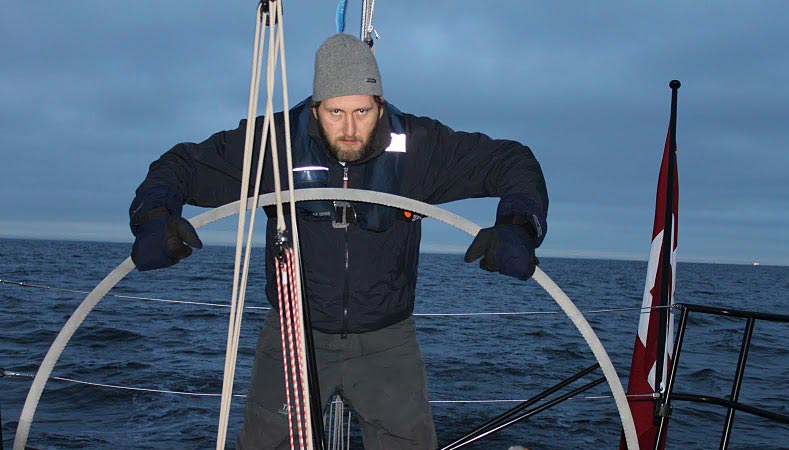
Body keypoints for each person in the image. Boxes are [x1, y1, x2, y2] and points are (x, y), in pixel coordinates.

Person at [129, 33, 548, 449]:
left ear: (380, 105)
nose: (349, 128)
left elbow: (512, 161)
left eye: (362, 111)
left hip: (388, 340)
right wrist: (153, 216)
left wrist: (518, 225)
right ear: (315, 109)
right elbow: (180, 166)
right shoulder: (276, 144)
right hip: (293, 337)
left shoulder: (421, 147)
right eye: (335, 112)